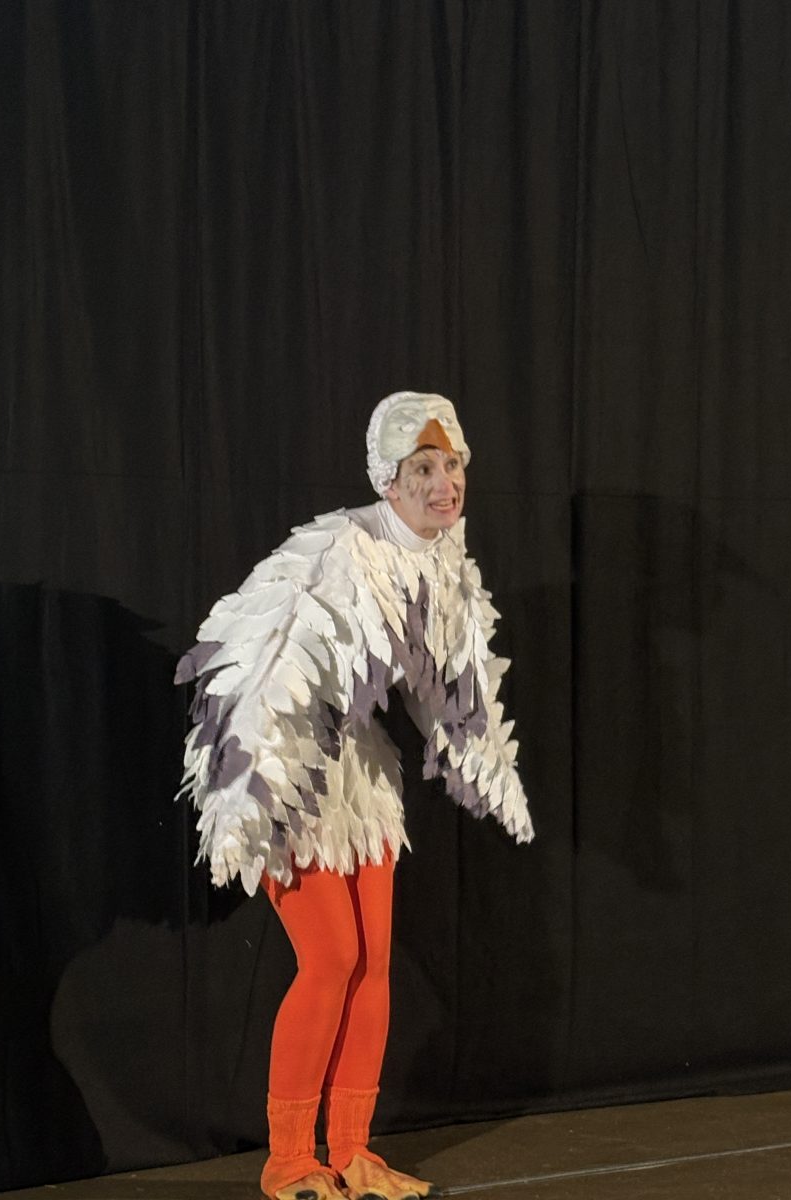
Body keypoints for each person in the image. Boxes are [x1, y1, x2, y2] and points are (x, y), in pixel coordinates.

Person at [176, 392, 534, 1200]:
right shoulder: (340, 548)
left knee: (371, 963)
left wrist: (484, 762)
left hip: (357, 775)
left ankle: (351, 1152)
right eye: (423, 469)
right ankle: (288, 1159)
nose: (444, 484)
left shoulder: (443, 559)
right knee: (331, 958)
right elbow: (255, 663)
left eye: (452, 466)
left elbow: (451, 683)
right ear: (389, 479)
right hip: (283, 763)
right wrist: (253, 788)